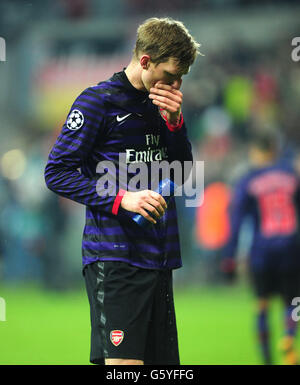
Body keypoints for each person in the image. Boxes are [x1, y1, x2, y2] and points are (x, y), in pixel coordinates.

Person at [44, 17, 200, 365]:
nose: (175, 86)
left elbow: (184, 173)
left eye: (180, 80)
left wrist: (175, 124)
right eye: (170, 77)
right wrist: (122, 198)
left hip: (159, 258)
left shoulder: (163, 106)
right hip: (115, 259)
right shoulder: (97, 102)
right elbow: (57, 172)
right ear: (145, 62)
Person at [222, 133, 300, 365]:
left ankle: (267, 360)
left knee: (261, 305)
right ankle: (288, 338)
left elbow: (236, 221)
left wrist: (229, 257)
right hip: (292, 249)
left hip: (261, 252)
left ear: (256, 152)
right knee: (294, 302)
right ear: (274, 151)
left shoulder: (248, 180)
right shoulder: (291, 175)